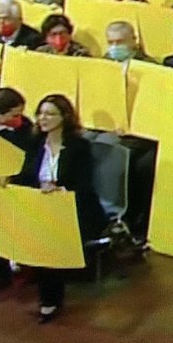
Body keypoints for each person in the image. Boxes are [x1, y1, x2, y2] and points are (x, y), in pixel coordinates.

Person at [10, 94, 106, 322]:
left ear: (64, 117)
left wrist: (59, 189)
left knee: (46, 239)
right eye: (41, 113)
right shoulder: (33, 143)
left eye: (50, 114)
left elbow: (84, 185)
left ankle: (50, 300)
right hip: (40, 207)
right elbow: (24, 177)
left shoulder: (78, 147)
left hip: (74, 208)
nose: (43, 118)